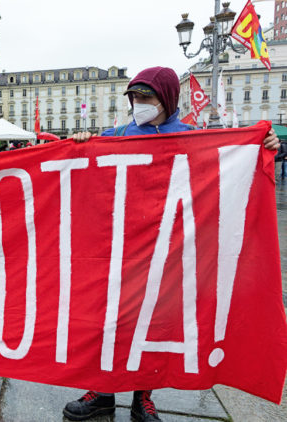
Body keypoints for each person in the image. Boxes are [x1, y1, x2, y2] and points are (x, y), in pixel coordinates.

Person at [61, 66, 280, 422]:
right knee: (110, 323)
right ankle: (102, 391)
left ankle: (142, 396)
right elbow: (84, 169)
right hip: (121, 247)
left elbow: (234, 161)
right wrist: (84, 142)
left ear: (166, 99)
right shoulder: (116, 135)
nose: (138, 104)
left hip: (170, 248)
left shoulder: (192, 137)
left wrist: (267, 145)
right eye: (134, 97)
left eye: (146, 97)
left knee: (155, 325)